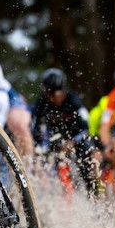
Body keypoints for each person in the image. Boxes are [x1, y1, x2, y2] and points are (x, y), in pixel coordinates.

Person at [29, 68, 96, 196]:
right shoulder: (42, 102)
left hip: (77, 138)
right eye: (51, 94)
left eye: (59, 93)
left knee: (86, 155)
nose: (56, 98)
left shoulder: (73, 99)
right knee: (46, 159)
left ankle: (92, 194)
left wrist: (73, 142)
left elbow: (86, 126)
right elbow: (34, 127)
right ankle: (60, 196)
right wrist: (39, 146)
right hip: (55, 142)